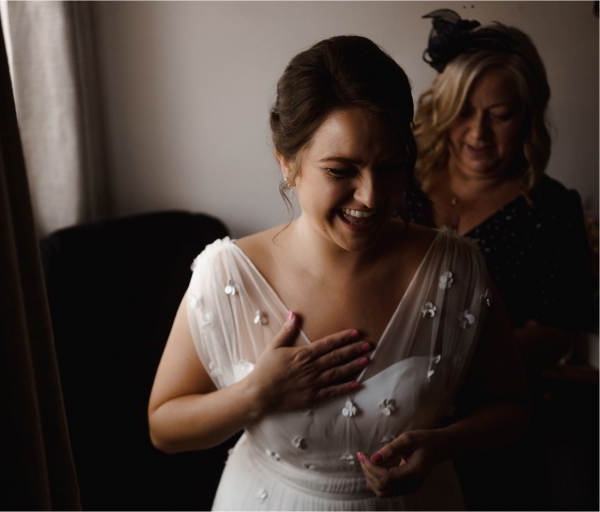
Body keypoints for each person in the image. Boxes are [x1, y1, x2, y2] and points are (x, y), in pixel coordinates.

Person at [149, 35, 530, 511]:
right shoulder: (225, 275)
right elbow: (163, 427)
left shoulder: (456, 268)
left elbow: (513, 408)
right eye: (341, 170)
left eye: (390, 167)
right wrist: (255, 393)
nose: (371, 196)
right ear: (287, 163)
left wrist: (442, 445)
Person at [403, 10, 596, 510]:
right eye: (464, 110)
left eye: (501, 114)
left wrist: (456, 360)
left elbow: (557, 331)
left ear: (529, 114)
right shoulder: (399, 182)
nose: (477, 133)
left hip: (498, 426)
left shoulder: (552, 208)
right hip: (394, 415)